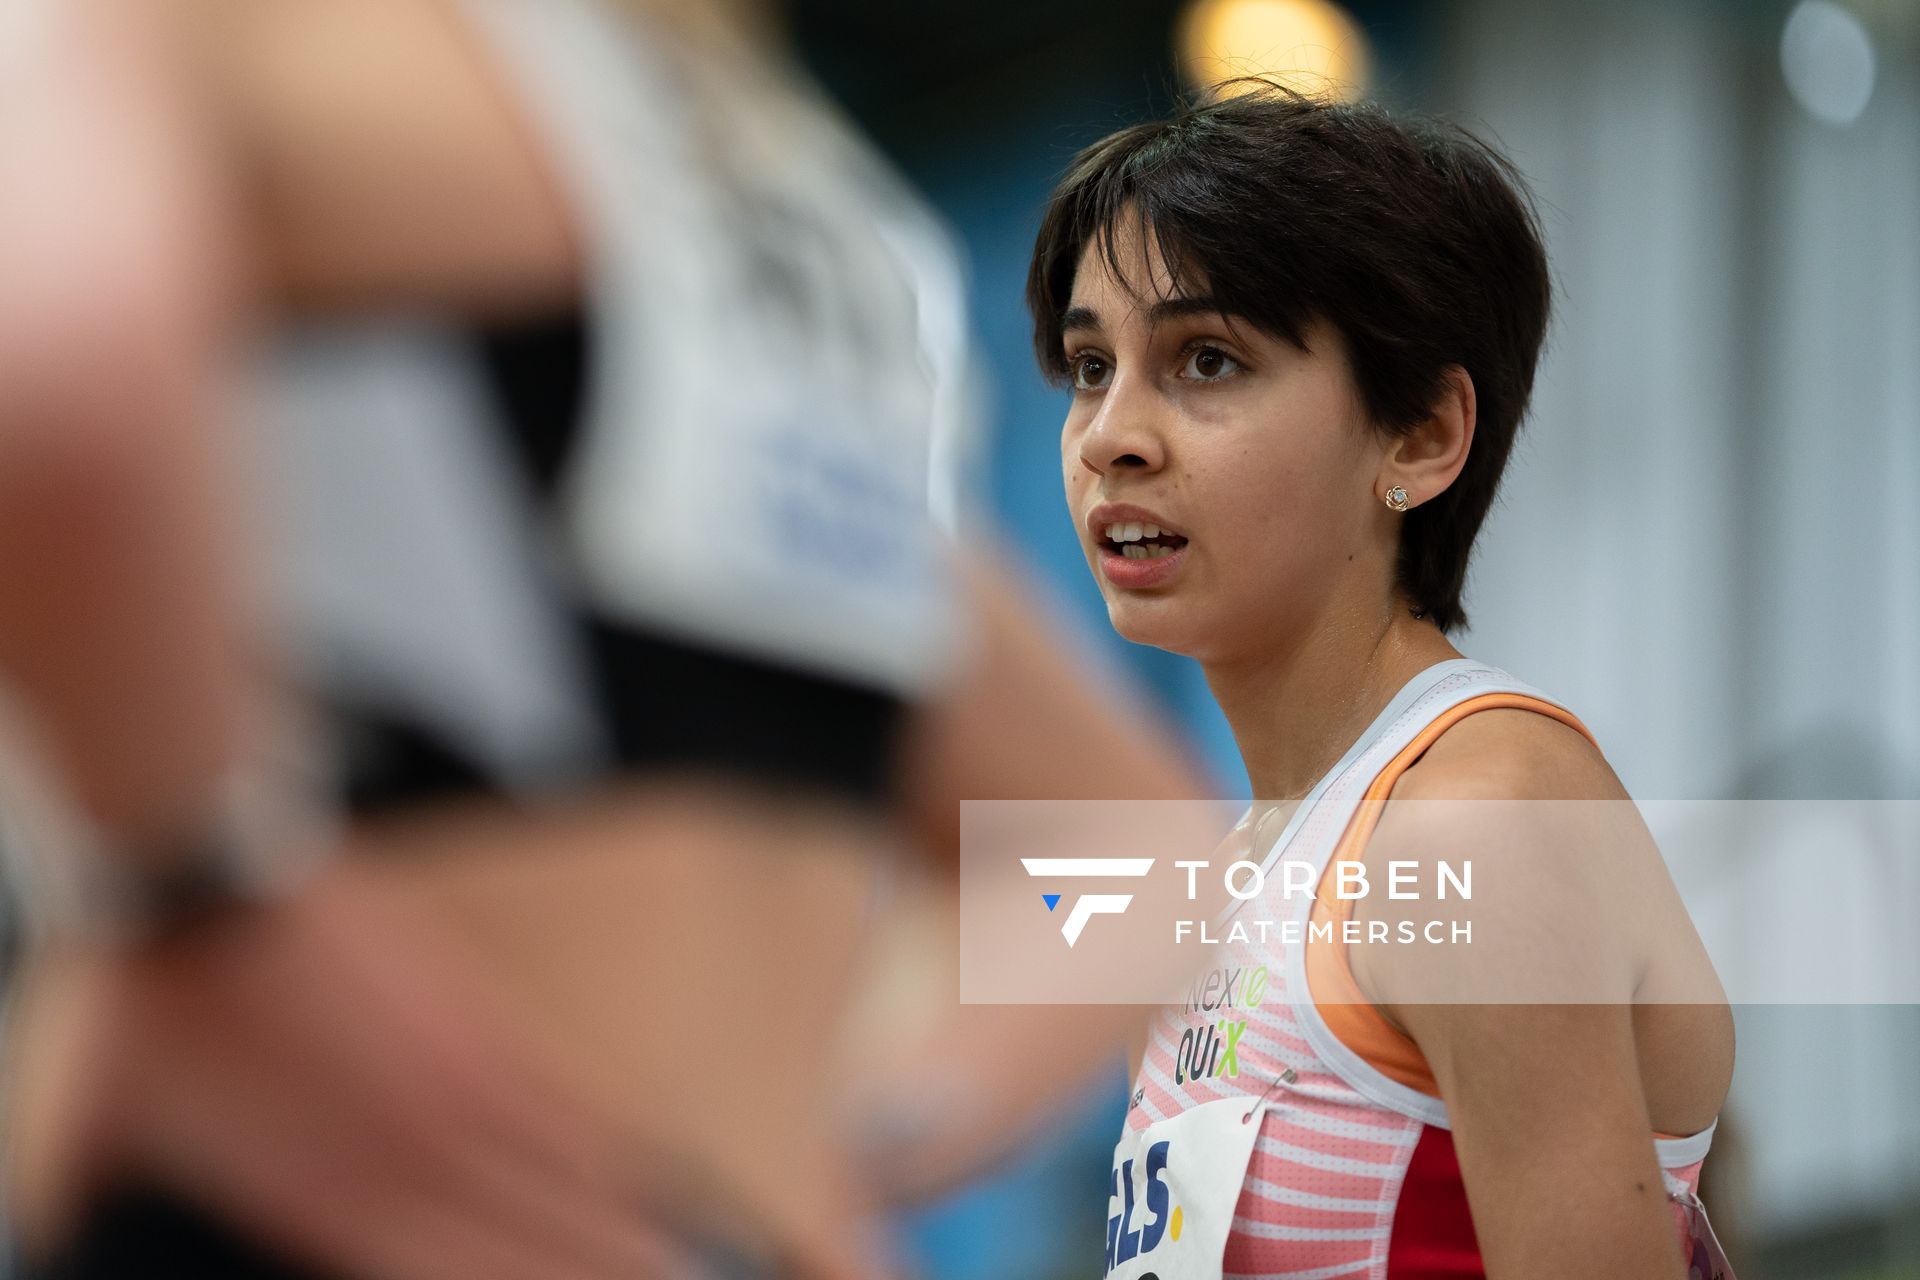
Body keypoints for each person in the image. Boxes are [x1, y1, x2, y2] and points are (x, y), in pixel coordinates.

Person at [0, 0, 1207, 1275]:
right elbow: (1133, 840)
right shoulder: (758, 189)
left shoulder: (306, 51)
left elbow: (61, 371)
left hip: (353, 1204)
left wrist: (196, 901)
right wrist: (808, 1152)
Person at [1025, 84, 1737, 1279]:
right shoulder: (1231, 866)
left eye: (1206, 359)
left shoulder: (1472, 823)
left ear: (1418, 437)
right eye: (1092, 366)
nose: (1112, 435)